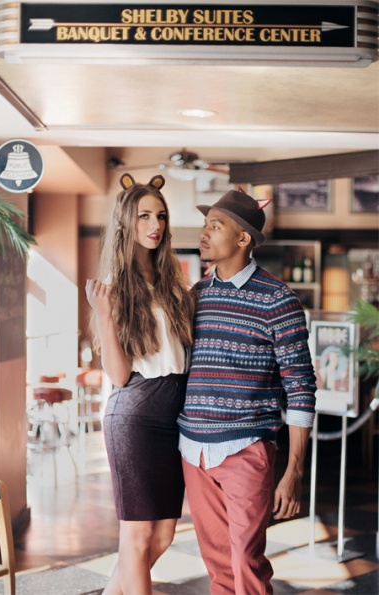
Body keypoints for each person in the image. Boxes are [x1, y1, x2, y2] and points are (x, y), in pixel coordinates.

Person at [178, 189, 317, 594]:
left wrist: (293, 471)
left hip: (247, 448)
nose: (204, 234)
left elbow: (301, 388)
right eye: (205, 226)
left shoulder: (278, 300)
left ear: (243, 239)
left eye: (215, 226)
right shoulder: (196, 295)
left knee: (246, 561)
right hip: (193, 448)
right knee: (218, 564)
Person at [86, 173, 196, 594]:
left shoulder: (173, 283)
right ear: (126, 221)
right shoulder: (114, 287)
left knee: (163, 535)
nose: (155, 224)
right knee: (135, 540)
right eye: (144, 215)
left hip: (175, 415)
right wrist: (103, 314)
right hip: (135, 414)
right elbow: (117, 375)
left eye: (161, 216)